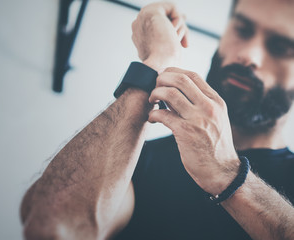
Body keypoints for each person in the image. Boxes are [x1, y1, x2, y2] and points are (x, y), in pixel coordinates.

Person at [20, 0, 294, 239]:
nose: (249, 55)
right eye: (242, 30)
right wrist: (156, 62)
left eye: (281, 47)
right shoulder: (132, 162)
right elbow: (52, 229)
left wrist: (226, 173)